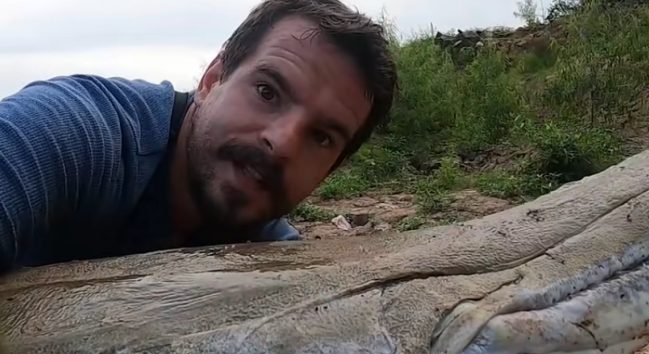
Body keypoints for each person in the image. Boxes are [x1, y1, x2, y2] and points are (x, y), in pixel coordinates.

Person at [0, 0, 397, 274]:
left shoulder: (273, 262)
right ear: (211, 79)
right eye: (267, 92)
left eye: (322, 137)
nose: (283, 143)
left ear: (330, 170)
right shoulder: (80, 131)